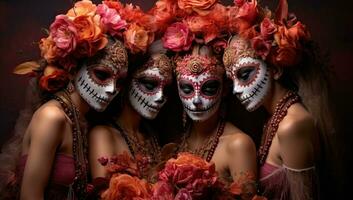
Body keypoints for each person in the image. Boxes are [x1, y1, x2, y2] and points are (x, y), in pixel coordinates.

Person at [0, 1, 129, 199]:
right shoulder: (52, 117)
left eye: (119, 82)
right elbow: (30, 195)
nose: (112, 89)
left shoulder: (79, 119)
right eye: (101, 75)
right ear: (73, 68)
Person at [222, 0, 333, 199]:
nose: (237, 90)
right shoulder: (274, 118)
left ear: (275, 69)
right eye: (232, 81)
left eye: (245, 74)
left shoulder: (293, 125)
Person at [175, 45, 257, 200]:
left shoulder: (238, 145)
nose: (197, 100)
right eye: (187, 89)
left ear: (225, 89)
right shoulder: (178, 139)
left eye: (209, 88)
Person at [89, 41, 173, 183]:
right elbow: (104, 194)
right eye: (149, 84)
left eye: (166, 90)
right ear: (126, 82)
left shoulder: (152, 136)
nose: (160, 97)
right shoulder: (102, 134)